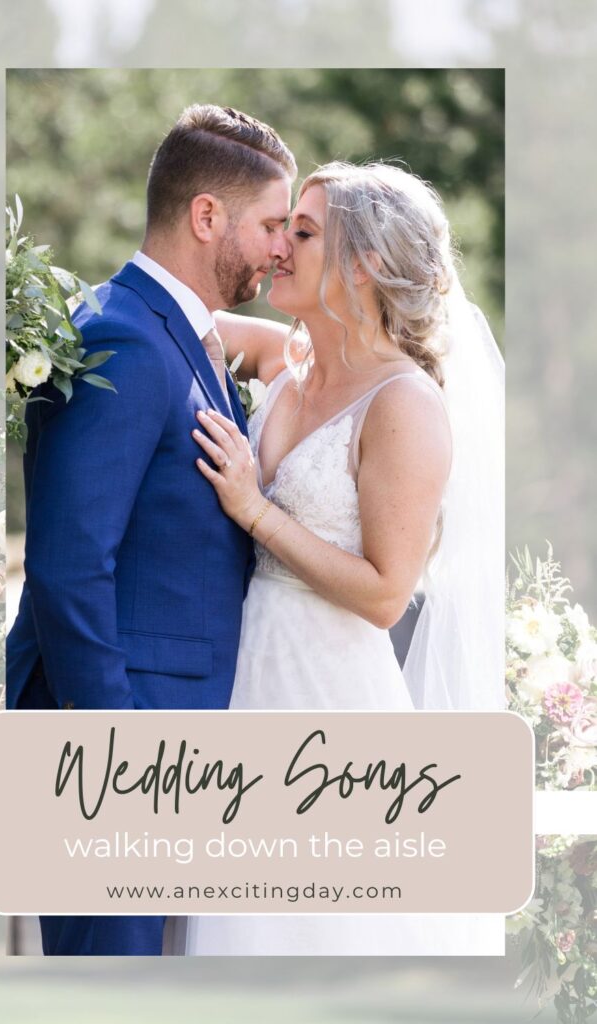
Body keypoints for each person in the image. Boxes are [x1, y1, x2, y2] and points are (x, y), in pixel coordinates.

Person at [183, 160, 504, 955]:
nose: (278, 248)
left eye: (302, 232)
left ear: (363, 264)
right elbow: (182, 323)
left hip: (327, 702)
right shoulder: (287, 363)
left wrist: (254, 509)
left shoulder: (403, 404)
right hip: (244, 684)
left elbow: (387, 594)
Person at [5, 104, 296, 956]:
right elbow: (68, 565)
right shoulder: (125, 340)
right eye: (270, 225)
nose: (281, 247)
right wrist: (117, 745)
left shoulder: (175, 332)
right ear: (206, 216)